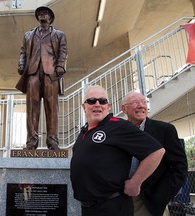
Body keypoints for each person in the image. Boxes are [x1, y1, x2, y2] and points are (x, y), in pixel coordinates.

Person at [70, 85, 165, 216]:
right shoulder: (84, 132)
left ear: (108, 107)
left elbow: (156, 152)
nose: (97, 104)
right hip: (89, 209)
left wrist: (135, 182)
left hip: (112, 207)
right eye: (92, 101)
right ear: (84, 107)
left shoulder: (118, 125)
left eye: (102, 101)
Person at [121, 91, 188, 216]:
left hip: (149, 199)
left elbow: (180, 167)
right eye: (135, 102)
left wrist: (162, 193)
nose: (141, 106)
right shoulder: (118, 132)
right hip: (121, 197)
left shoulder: (164, 130)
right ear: (124, 109)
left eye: (143, 102)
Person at [16, 6, 68, 150]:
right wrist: (21, 64)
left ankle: (52, 142)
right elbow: (23, 52)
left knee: (52, 108)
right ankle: (31, 142)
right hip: (32, 73)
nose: (42, 15)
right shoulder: (28, 35)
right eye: (40, 13)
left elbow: (63, 52)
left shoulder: (59, 34)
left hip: (51, 74)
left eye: (45, 13)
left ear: (50, 18)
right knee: (32, 108)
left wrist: (60, 67)